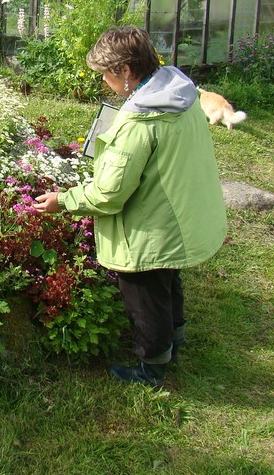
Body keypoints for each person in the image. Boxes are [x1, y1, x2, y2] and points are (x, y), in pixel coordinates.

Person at [33, 26, 227, 389]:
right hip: (177, 213)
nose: (103, 81)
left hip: (149, 227)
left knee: (144, 294)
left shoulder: (140, 123)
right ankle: (175, 340)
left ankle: (151, 368)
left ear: (125, 70)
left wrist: (64, 200)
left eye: (105, 73)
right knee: (167, 281)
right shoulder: (178, 92)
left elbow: (109, 193)